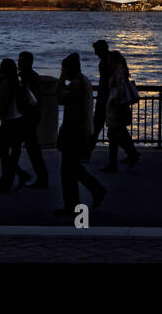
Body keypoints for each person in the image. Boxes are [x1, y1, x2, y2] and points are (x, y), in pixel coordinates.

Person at [55, 53, 107, 216]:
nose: (62, 71)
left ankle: (74, 203)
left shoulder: (76, 84)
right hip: (79, 131)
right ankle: (87, 195)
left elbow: (60, 98)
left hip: (74, 131)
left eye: (63, 69)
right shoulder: (84, 81)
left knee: (67, 171)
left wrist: (61, 80)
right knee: (73, 169)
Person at [0, 58, 32, 192]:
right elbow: (32, 101)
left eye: (0, 66)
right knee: (12, 151)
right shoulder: (18, 84)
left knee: (1, 151)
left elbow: (1, 105)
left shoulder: (4, 83)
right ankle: (9, 178)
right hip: (19, 121)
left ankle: (15, 177)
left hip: (8, 122)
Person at [101, 49, 140, 172]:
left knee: (113, 135)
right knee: (119, 133)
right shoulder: (120, 70)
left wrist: (115, 100)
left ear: (112, 59)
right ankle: (132, 153)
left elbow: (120, 88)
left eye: (108, 58)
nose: (107, 61)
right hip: (117, 108)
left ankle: (114, 164)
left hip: (116, 108)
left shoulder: (117, 71)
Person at [16, 52, 49, 188]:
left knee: (31, 149)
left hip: (27, 118)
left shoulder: (29, 78)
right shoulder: (30, 76)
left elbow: (31, 100)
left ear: (28, 62)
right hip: (29, 118)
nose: (18, 63)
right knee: (30, 149)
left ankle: (39, 178)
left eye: (21, 61)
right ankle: (38, 177)